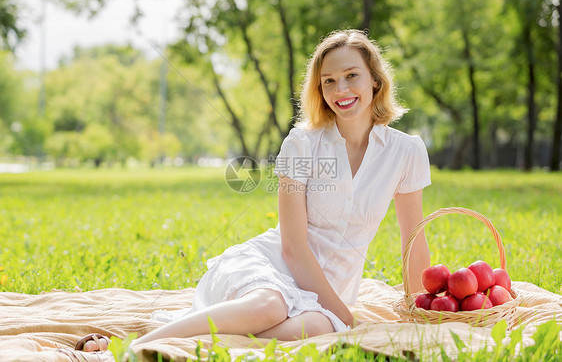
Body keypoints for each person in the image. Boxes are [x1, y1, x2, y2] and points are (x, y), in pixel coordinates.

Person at [77, 29, 431, 353]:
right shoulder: (302, 143)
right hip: (268, 268)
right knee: (272, 305)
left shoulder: (406, 151)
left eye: (352, 76)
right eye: (329, 81)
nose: (341, 90)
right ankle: (127, 349)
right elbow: (292, 248)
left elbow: (412, 239)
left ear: (375, 80)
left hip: (327, 295)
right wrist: (350, 320)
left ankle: (200, 332)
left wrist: (424, 315)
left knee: (316, 327)